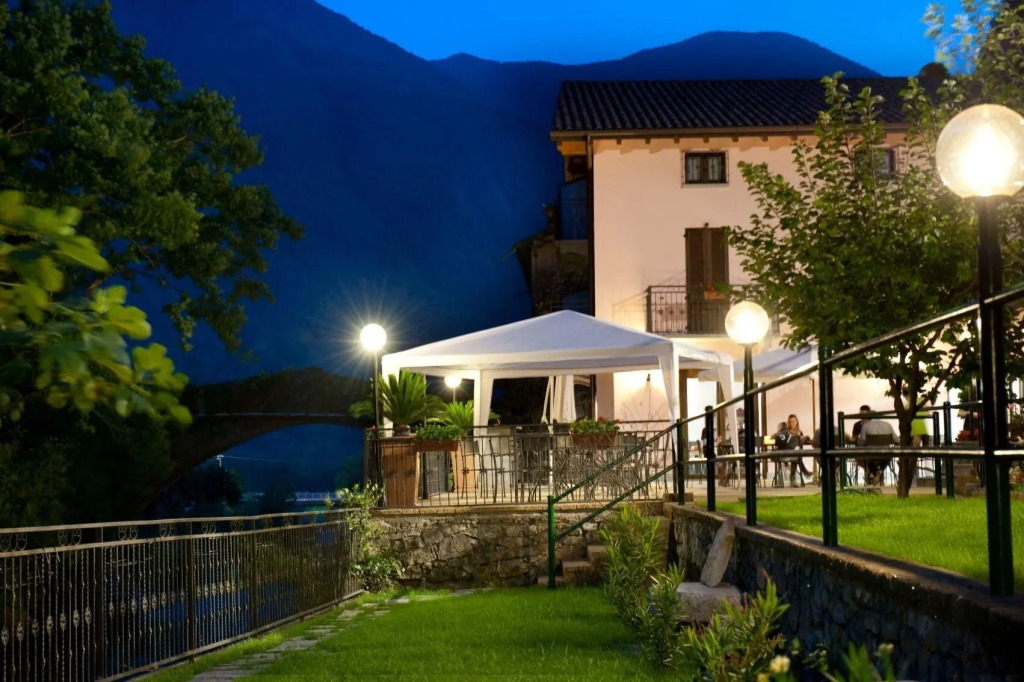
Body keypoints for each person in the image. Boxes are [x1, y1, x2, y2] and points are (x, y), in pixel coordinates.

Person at [856, 405, 896, 485]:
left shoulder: (866, 426)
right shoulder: (888, 425)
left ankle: (873, 473)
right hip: (886, 455)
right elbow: (896, 440)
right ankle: (879, 473)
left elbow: (861, 443)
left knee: (866, 457)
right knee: (887, 456)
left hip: (871, 454)